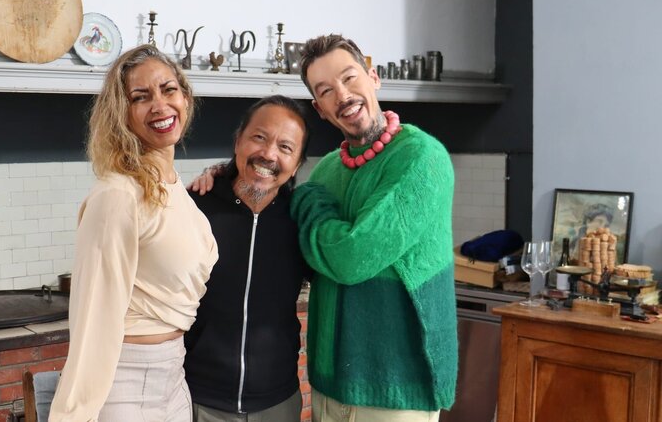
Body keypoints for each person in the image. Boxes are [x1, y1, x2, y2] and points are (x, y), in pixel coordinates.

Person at [290, 34, 458, 421]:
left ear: (374, 78)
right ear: (319, 108)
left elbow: (352, 258)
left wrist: (305, 201)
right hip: (330, 381)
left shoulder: (423, 158)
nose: (343, 95)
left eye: (350, 79)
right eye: (327, 90)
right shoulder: (330, 167)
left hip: (395, 387)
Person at [49, 45, 219, 422]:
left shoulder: (174, 186)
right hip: (125, 385)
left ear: (186, 97)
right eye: (140, 97)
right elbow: (92, 321)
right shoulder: (118, 195)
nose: (159, 105)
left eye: (168, 89)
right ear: (121, 114)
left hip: (175, 380)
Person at [184, 95, 312, 422]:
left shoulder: (302, 221)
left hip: (278, 403)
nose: (268, 154)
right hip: (198, 400)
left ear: (296, 164)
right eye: (259, 137)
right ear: (238, 140)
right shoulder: (192, 208)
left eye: (286, 147)